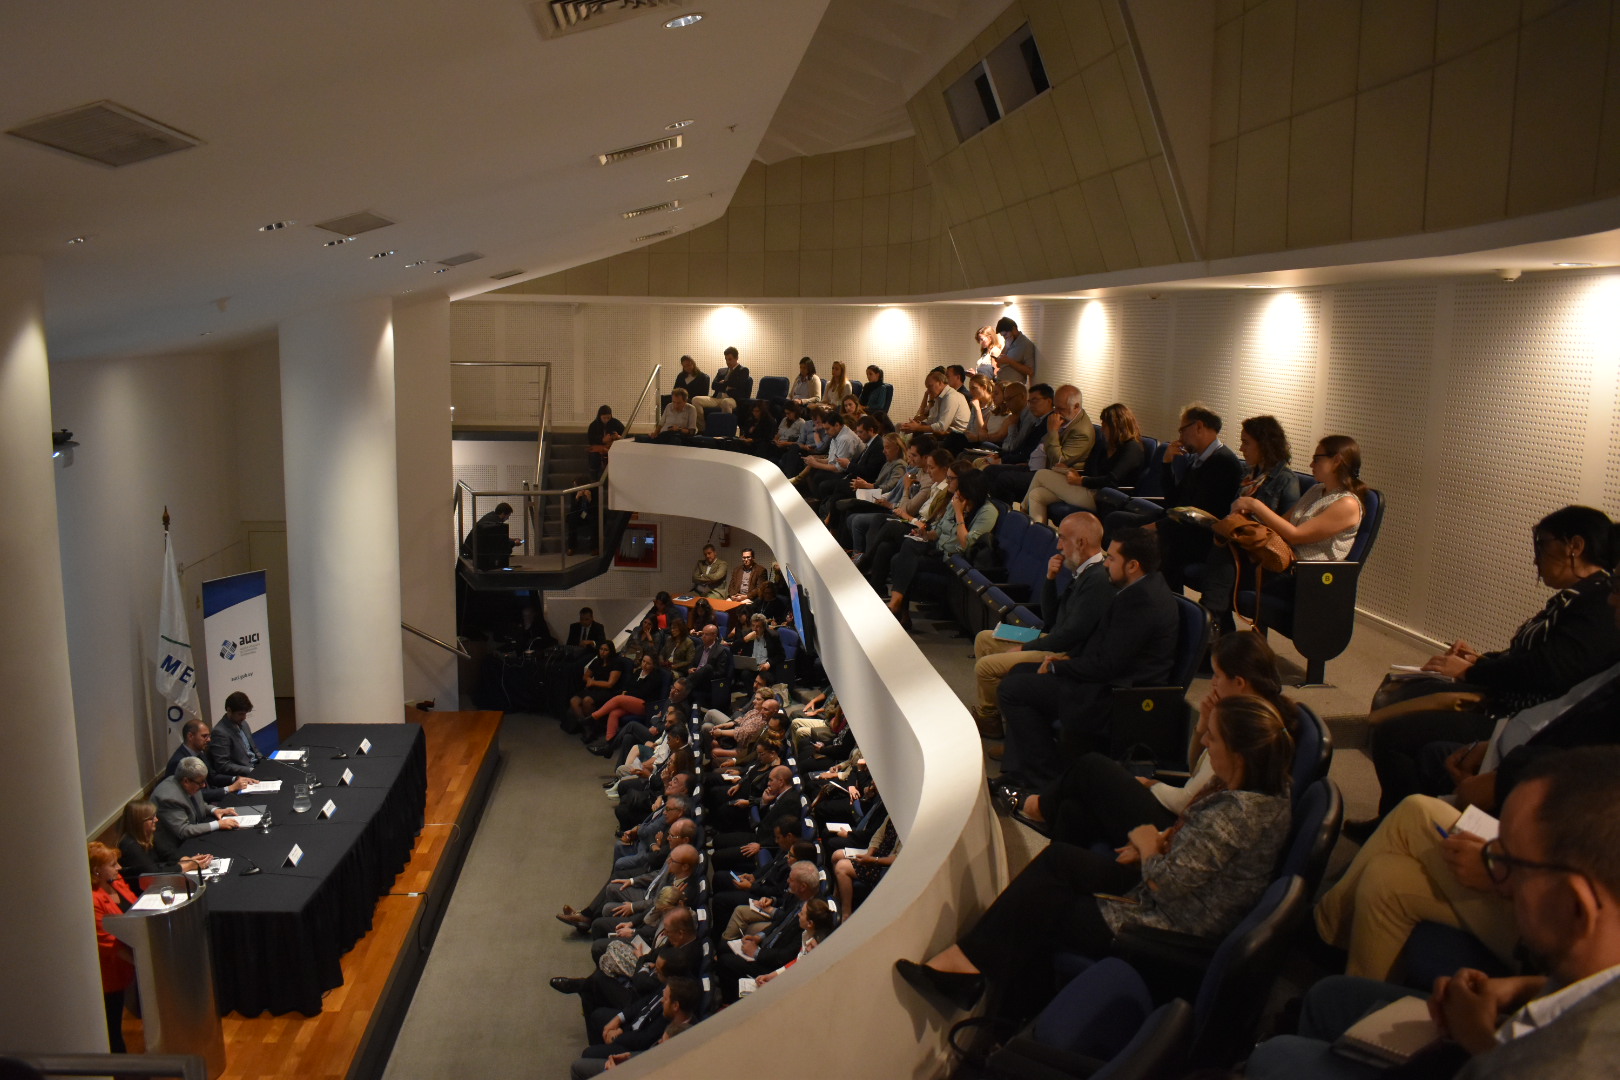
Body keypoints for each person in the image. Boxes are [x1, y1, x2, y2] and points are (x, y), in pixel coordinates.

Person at [897, 695, 1293, 1021]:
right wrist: (1157, 842)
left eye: (1216, 739)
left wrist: (1145, 840)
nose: (1206, 743)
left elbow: (1167, 886)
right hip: (1173, 900)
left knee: (1042, 905)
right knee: (1061, 857)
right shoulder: (1262, 787)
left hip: (1167, 928)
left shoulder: (1236, 815)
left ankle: (996, 1010)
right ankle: (970, 970)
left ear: (1239, 755)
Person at [1246, 746, 1620, 1080]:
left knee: (1278, 1057)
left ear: (1576, 906)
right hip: (1503, 1031)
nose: (1501, 886)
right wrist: (1516, 988)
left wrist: (1476, 1041)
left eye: (1507, 865)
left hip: (1483, 1054)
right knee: (1331, 991)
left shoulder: (1564, 1064)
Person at [1354, 506, 1620, 827]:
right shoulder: (1582, 597)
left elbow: (1550, 670)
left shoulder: (1594, 602)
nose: (1537, 558)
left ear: (1574, 546)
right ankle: (1401, 821)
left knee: (1393, 731)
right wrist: (1482, 660)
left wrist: (1472, 671)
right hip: (1510, 706)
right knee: (1402, 702)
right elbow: (1540, 657)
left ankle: (1403, 825)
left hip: (1512, 715)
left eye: (1544, 544)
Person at [1016, 631, 1299, 844]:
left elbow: (1188, 802)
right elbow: (1196, 771)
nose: (1212, 683)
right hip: (1186, 810)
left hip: (1185, 826)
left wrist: (1151, 784)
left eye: (1216, 676)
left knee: (1092, 767)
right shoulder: (1236, 713)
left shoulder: (1249, 729)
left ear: (1239, 682)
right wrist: (1201, 727)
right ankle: (1068, 869)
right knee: (1072, 810)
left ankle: (1037, 805)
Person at [993, 527, 1181, 794]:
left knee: (1013, 691)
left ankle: (1044, 779)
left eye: (1112, 558)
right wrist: (1066, 659)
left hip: (1114, 695)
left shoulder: (1143, 601)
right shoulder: (1141, 588)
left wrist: (1059, 665)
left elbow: (1108, 665)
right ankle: (1021, 770)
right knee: (1020, 670)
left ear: (1133, 565)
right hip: (1104, 678)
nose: (1106, 563)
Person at [969, 510, 1112, 737]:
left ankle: (1001, 723)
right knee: (985, 639)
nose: (1058, 546)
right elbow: (1052, 619)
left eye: (1063, 538)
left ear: (1081, 542)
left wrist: (1026, 647)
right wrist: (1049, 580)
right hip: (1050, 637)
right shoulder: (1082, 571)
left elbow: (1070, 635)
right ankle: (992, 715)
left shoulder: (1098, 580)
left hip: (1062, 649)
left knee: (985, 668)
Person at [1106, 403, 1242, 591]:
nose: (1180, 438)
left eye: (1182, 431)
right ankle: (1119, 586)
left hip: (1198, 535)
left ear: (1199, 427)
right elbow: (1173, 500)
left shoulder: (1223, 463)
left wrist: (1156, 528)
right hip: (1177, 522)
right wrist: (1167, 463)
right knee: (1116, 519)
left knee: (1152, 542)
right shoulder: (1197, 459)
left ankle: (1159, 599)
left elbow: (1198, 513)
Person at [1197, 414, 1301, 632]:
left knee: (1221, 554)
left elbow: (1287, 528)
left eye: (1246, 442)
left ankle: (1208, 623)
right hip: (1239, 546)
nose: (1242, 448)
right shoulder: (1248, 474)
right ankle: (1212, 625)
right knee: (1215, 546)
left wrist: (1253, 514)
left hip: (1262, 555)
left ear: (1264, 445)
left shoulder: (1286, 480)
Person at [886, 467, 997, 627]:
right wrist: (923, 534)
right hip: (938, 552)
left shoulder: (987, 511)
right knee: (905, 548)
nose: (957, 492)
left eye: (961, 489)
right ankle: (900, 610)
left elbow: (967, 544)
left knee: (900, 561)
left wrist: (959, 514)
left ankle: (898, 608)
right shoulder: (956, 501)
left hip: (955, 563)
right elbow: (937, 532)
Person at [1023, 401, 1145, 525]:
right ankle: (1040, 539)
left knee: (1042, 474)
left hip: (1105, 498)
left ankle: (1022, 510)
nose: (1102, 429)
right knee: (1036, 495)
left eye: (1105, 425)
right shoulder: (1107, 445)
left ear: (1116, 426)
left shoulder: (1132, 449)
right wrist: (1071, 471)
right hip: (1090, 490)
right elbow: (1090, 469)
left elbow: (1112, 480)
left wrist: (1080, 481)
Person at [89, 841, 139, 1053]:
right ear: (96, 871)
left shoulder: (116, 882)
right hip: (110, 974)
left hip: (128, 962)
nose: (119, 868)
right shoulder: (92, 900)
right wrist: (145, 963)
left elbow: (136, 907)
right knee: (112, 1027)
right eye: (113, 864)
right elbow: (108, 942)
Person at [151, 757, 240, 860]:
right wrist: (218, 824)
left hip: (196, 837)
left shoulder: (190, 783)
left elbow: (199, 804)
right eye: (201, 782)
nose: (204, 785)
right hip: (178, 850)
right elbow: (183, 830)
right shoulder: (168, 797)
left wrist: (214, 810)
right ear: (186, 781)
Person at [115, 797, 213, 888]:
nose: (156, 820)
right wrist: (189, 865)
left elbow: (168, 853)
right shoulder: (129, 846)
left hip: (162, 883)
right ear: (139, 822)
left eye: (155, 816)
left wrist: (190, 861)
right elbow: (154, 874)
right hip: (146, 892)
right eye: (152, 818)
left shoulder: (151, 832)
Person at [586, 653, 664, 753]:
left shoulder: (655, 677)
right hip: (632, 702)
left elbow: (643, 693)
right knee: (614, 713)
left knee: (619, 699)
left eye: (648, 663)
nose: (644, 665)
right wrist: (627, 692)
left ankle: (594, 717)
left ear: (654, 665)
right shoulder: (639, 672)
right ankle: (609, 744)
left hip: (646, 705)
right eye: (643, 661)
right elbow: (628, 685)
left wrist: (627, 693)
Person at [164, 719, 254, 794]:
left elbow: (213, 777)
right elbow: (195, 795)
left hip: (212, 796)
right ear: (190, 736)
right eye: (204, 736)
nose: (209, 740)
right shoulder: (178, 762)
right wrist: (229, 789)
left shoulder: (200, 753)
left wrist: (236, 778)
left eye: (209, 736)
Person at [569, 641, 623, 731]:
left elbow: (610, 684)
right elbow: (585, 676)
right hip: (594, 688)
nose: (602, 652)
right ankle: (586, 726)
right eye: (601, 649)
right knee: (574, 700)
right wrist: (589, 680)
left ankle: (591, 727)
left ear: (611, 651)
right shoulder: (597, 661)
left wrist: (593, 682)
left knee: (587, 700)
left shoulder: (616, 663)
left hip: (607, 691)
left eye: (605, 650)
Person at [899, 369, 969, 438]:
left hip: (959, 437)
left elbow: (942, 426)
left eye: (930, 386)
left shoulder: (951, 397)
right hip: (947, 435)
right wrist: (916, 425)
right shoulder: (939, 397)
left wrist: (918, 427)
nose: (928, 391)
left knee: (921, 439)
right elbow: (932, 420)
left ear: (940, 383)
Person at [207, 691, 262, 776]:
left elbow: (254, 749)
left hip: (257, 766)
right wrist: (251, 770)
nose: (244, 717)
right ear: (229, 710)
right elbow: (223, 765)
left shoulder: (243, 724)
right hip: (245, 773)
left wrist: (265, 762)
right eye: (240, 714)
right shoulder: (219, 733)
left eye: (245, 714)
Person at [690, 346, 747, 421]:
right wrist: (727, 386)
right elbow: (713, 385)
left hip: (732, 399)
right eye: (726, 359)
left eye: (730, 359)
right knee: (695, 400)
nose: (728, 362)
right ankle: (702, 429)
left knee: (725, 402)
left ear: (736, 358)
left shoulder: (743, 370)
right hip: (716, 398)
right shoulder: (721, 371)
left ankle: (726, 430)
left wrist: (723, 383)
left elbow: (737, 384)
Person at [994, 315, 1036, 384]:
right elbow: (999, 364)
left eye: (1005, 335)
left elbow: (1030, 371)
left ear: (1014, 329)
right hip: (1000, 382)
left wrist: (1010, 361)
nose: (1005, 338)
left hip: (1013, 386)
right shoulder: (1008, 342)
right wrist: (1006, 347)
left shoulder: (1026, 344)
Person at [587, 405, 626, 475]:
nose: (606, 420)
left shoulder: (616, 423)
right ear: (600, 416)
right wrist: (602, 440)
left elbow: (626, 435)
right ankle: (594, 478)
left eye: (608, 417)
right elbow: (591, 440)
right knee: (594, 457)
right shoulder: (593, 425)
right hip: (599, 449)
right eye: (604, 418)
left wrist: (618, 436)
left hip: (613, 447)